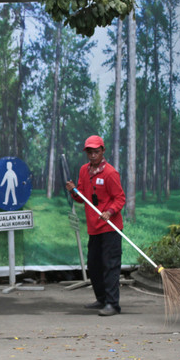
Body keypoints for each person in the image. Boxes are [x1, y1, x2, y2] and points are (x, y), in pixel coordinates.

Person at [65, 135, 126, 316]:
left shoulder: (110, 173)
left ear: (103, 151)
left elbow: (120, 198)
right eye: (89, 152)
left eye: (96, 152)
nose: (92, 155)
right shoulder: (84, 170)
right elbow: (81, 196)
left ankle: (113, 304)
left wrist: (110, 211)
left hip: (110, 228)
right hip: (94, 228)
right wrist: (73, 191)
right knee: (94, 265)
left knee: (110, 265)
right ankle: (101, 299)